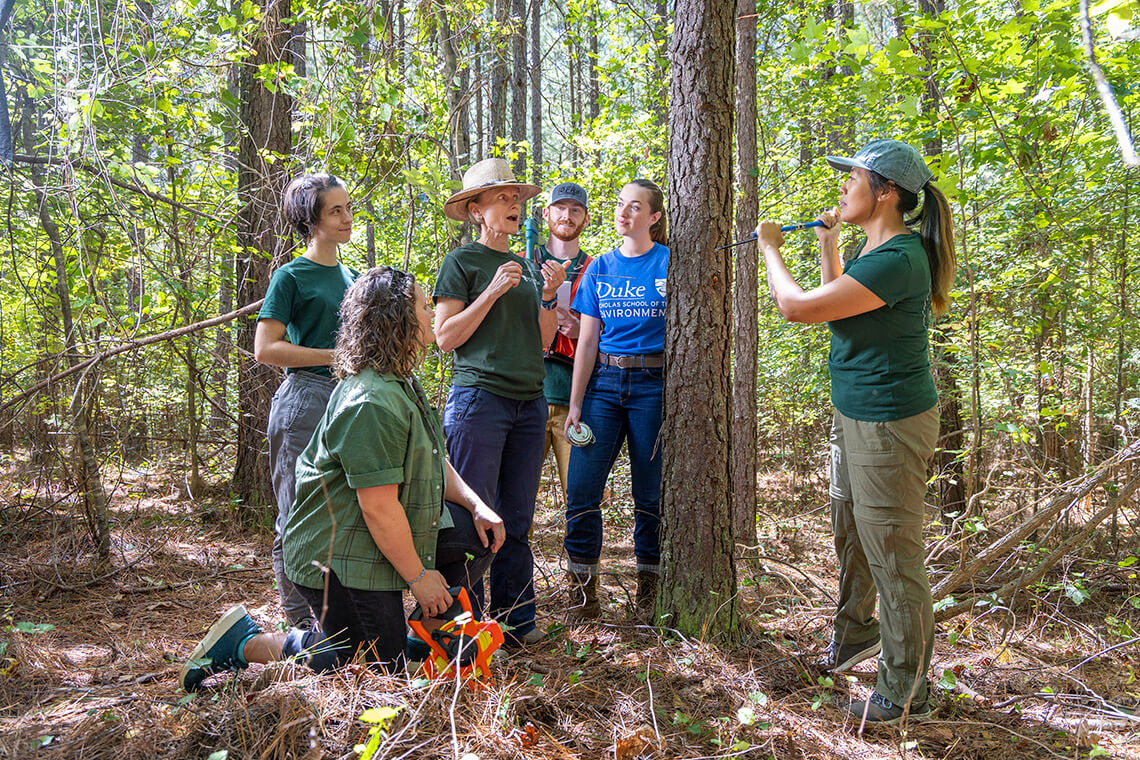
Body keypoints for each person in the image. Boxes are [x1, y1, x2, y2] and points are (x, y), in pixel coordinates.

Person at [180, 267, 505, 691]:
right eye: (424, 307)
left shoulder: (399, 380)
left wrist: (476, 504)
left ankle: (415, 636)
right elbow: (378, 506)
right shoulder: (372, 401)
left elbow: (432, 458)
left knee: (472, 535)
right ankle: (244, 642)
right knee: (370, 670)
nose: (431, 314)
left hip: (371, 536)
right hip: (339, 555)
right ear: (398, 321)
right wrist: (419, 580)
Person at [756, 138, 956, 724]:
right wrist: (828, 244)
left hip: (889, 423)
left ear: (886, 193)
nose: (843, 186)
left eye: (853, 178)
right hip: (858, 415)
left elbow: (799, 308)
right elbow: (842, 305)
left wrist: (772, 250)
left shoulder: (898, 258)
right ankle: (856, 634)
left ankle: (905, 687)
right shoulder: (880, 254)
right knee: (853, 530)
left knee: (892, 550)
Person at [434, 158, 568, 646]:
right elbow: (445, 337)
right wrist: (490, 291)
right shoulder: (462, 263)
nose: (515, 204)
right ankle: (457, 629)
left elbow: (542, 341)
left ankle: (515, 623)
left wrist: (549, 296)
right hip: (479, 403)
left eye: (517, 197)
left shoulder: (531, 268)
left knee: (516, 518)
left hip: (529, 404)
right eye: (503, 197)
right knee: (472, 518)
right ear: (476, 211)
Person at [255, 173, 357, 629]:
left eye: (347, 208)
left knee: (344, 513)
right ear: (310, 219)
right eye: (335, 211)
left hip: (348, 403)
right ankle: (298, 629)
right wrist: (332, 356)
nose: (347, 218)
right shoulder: (291, 275)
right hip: (304, 401)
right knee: (296, 513)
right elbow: (265, 348)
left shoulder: (353, 277)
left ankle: (334, 621)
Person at [563, 179, 669, 620]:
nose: (624, 213)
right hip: (603, 386)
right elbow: (587, 343)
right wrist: (575, 402)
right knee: (582, 489)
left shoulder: (668, 263)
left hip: (653, 385)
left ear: (655, 217)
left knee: (650, 494)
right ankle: (584, 597)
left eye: (636, 206)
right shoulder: (600, 269)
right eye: (621, 205)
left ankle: (650, 594)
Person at [530, 182, 593, 495]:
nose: (567, 215)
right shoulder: (524, 262)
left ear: (585, 219)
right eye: (560, 208)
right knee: (519, 495)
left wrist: (584, 334)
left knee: (580, 496)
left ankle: (580, 548)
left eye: (575, 210)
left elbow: (616, 336)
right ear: (546, 213)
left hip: (576, 400)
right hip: (527, 396)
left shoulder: (597, 269)